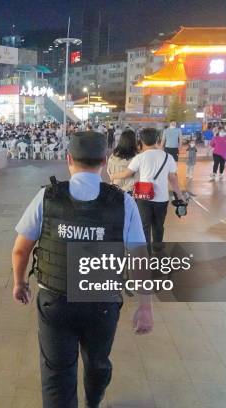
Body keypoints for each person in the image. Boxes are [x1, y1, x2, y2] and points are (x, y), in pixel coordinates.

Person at [11, 131, 153, 408]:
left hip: (55, 301)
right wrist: (145, 306)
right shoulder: (123, 202)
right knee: (97, 363)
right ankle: (94, 399)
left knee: (56, 375)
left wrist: (19, 282)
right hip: (102, 302)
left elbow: (20, 249)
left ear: (68, 160)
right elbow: (138, 255)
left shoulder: (47, 196)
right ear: (103, 160)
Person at [114, 128, 184, 253]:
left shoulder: (140, 157)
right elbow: (173, 179)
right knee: (158, 225)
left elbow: (127, 173)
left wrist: (114, 176)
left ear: (141, 141)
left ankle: (146, 252)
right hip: (162, 198)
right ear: (157, 139)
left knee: (144, 226)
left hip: (143, 197)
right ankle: (157, 248)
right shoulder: (168, 157)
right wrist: (179, 195)